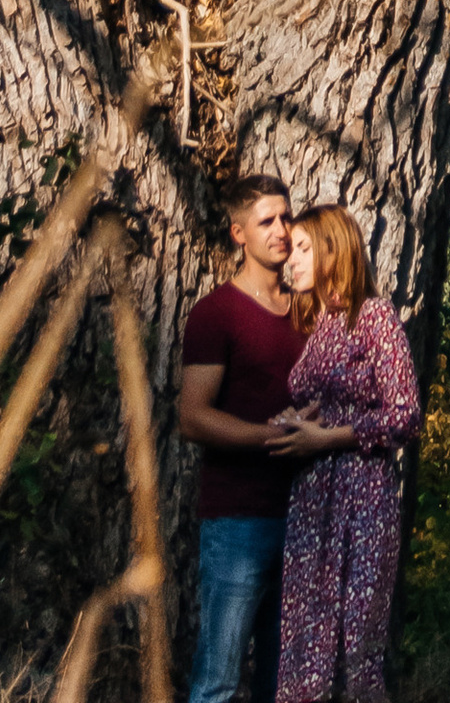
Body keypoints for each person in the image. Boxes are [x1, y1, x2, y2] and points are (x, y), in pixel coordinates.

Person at [268, 207, 421, 703]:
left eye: (305, 247)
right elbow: (317, 401)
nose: (294, 258)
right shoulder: (321, 326)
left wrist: (328, 437)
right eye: (293, 248)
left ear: (336, 249)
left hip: (364, 497)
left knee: (357, 653)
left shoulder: (373, 316)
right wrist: (295, 423)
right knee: (303, 647)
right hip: (313, 499)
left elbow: (406, 415)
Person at [180, 172, 303, 703]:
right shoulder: (217, 313)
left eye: (285, 217)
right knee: (219, 683)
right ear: (238, 234)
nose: (280, 229)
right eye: (266, 221)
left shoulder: (310, 310)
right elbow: (193, 417)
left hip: (305, 520)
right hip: (238, 523)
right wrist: (270, 437)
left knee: (285, 686)